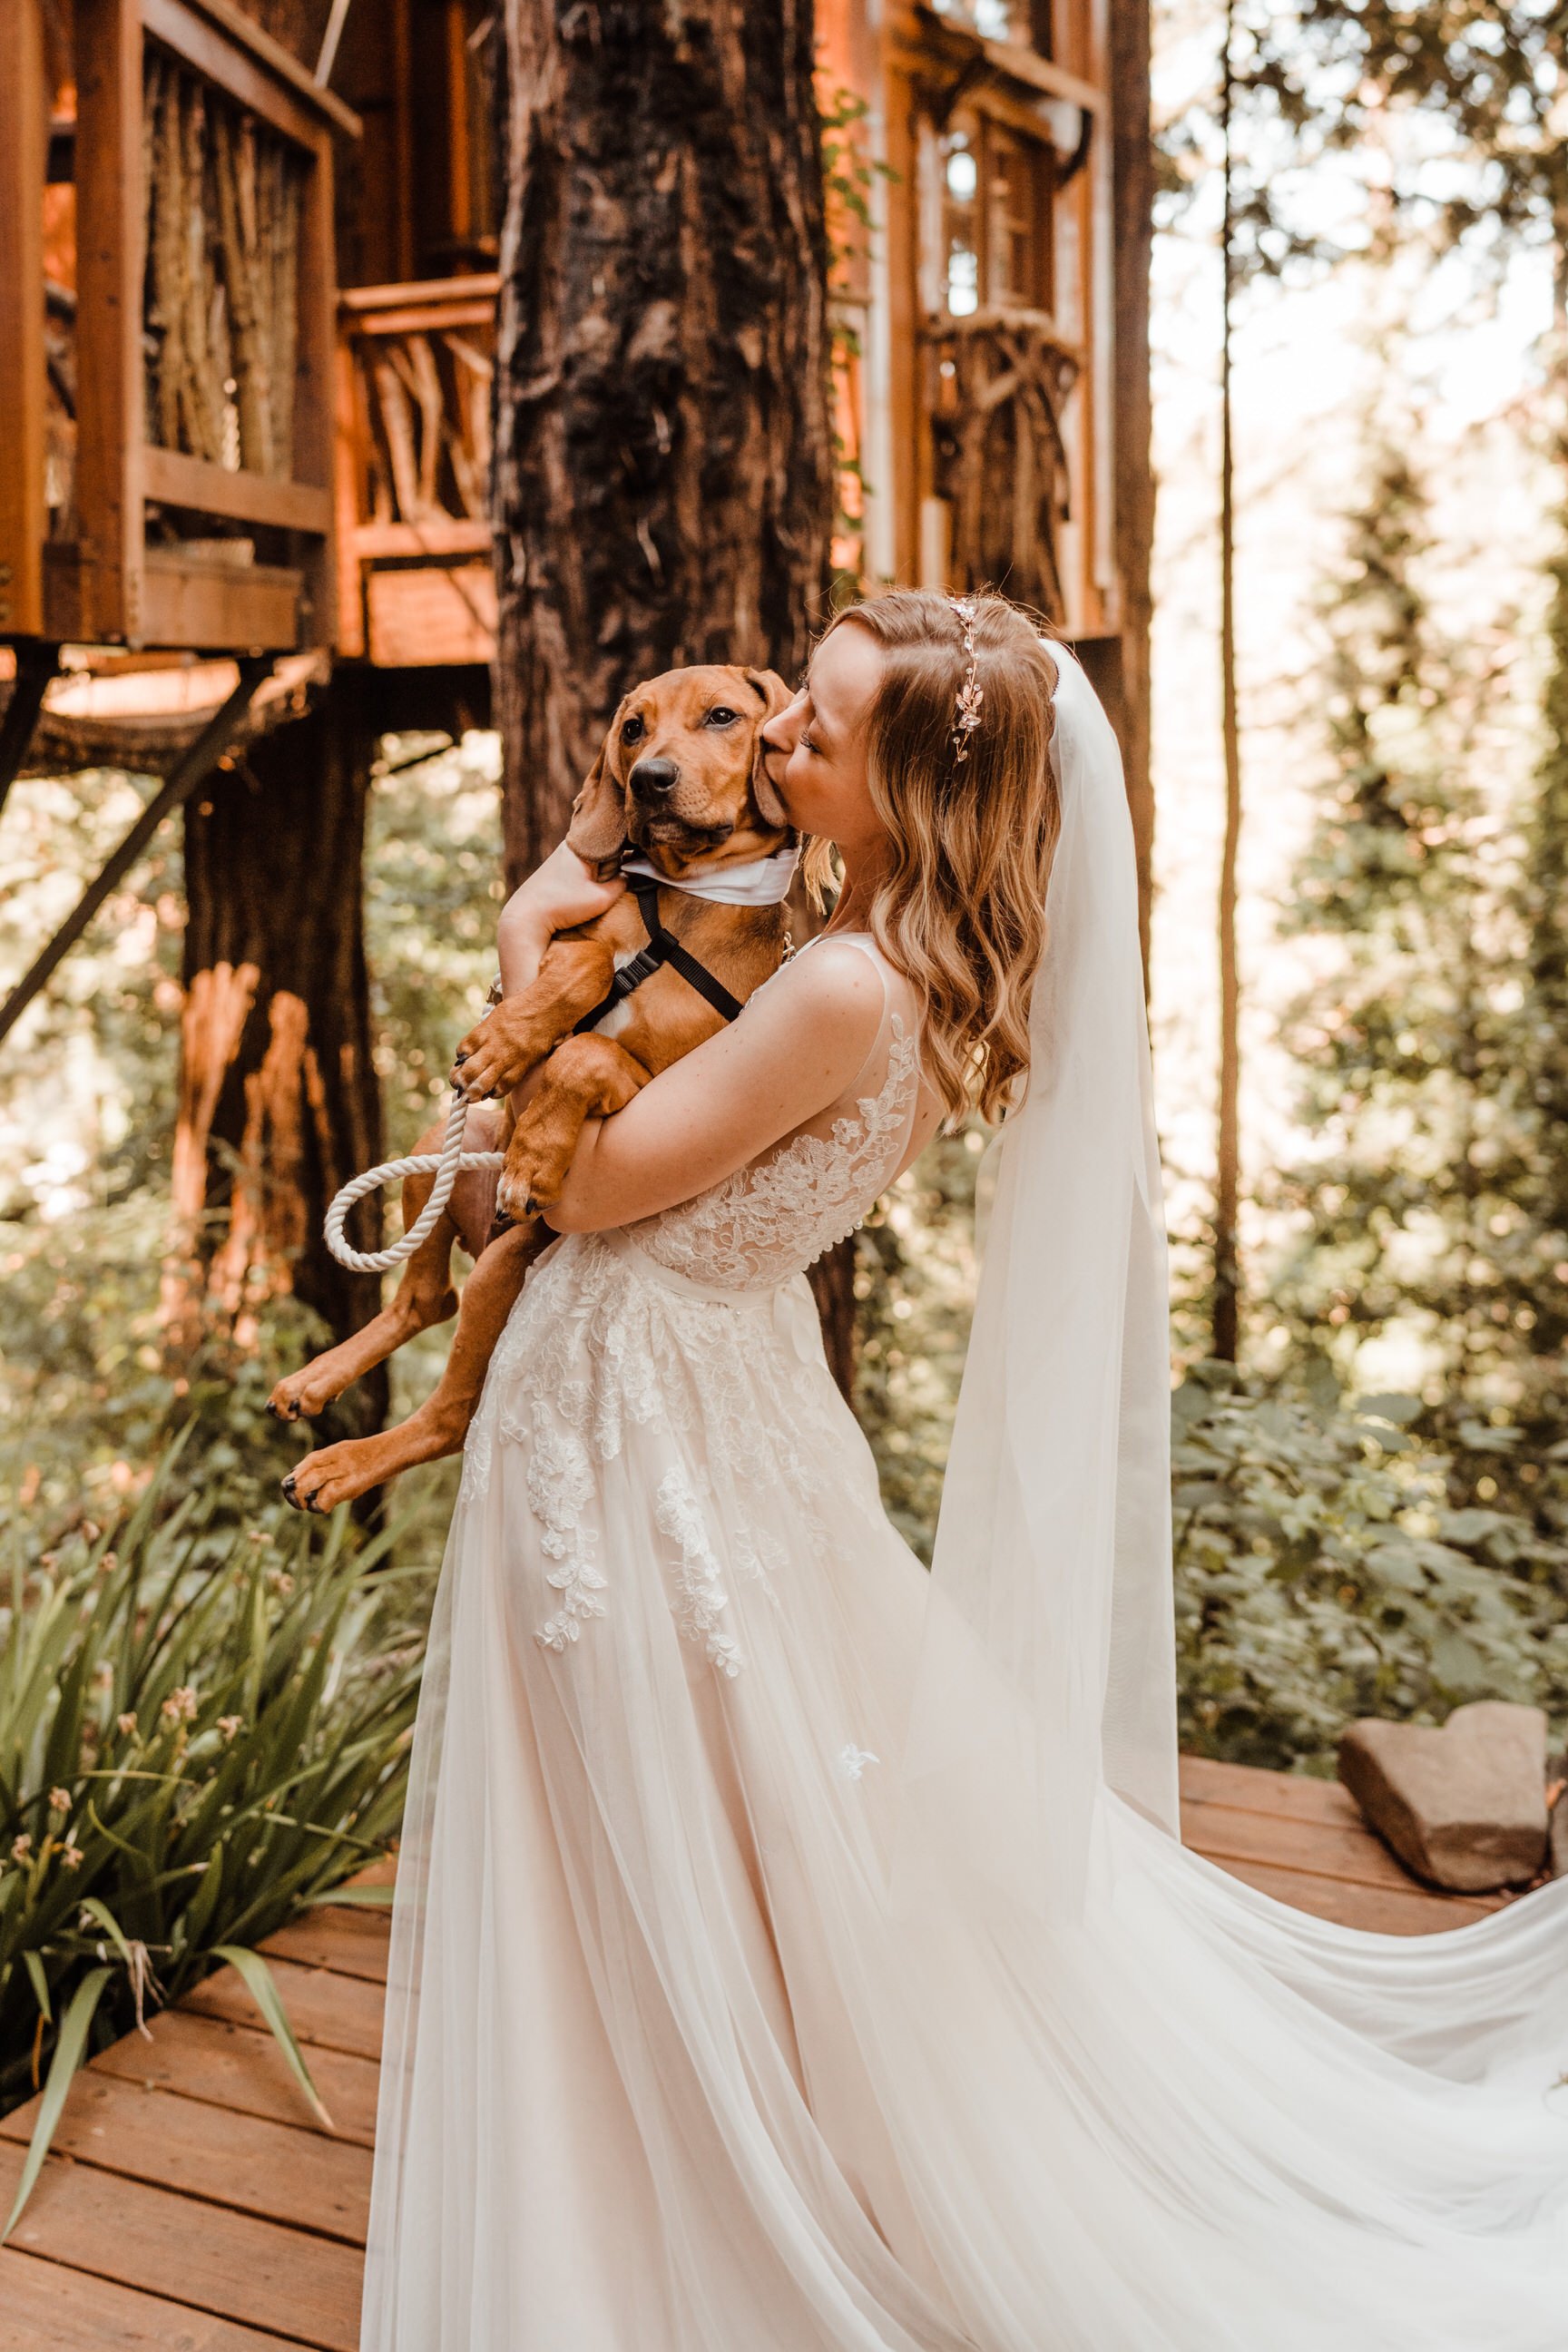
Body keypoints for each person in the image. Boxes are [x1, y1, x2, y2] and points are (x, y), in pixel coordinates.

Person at [359, 592, 1568, 2352]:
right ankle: (643, 2188)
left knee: (658, 1814)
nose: (773, 741)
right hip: (706, 1404)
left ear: (910, 795)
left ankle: (669, 2228)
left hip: (647, 1431)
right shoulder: (869, 951)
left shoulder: (846, 982)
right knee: (708, 1815)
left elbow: (580, 1192)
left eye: (815, 736)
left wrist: (517, 972)